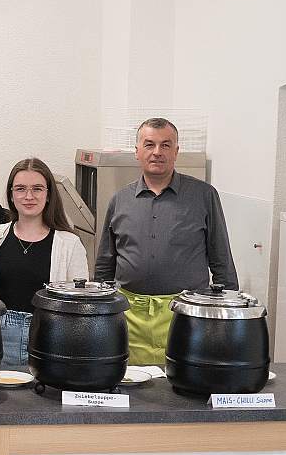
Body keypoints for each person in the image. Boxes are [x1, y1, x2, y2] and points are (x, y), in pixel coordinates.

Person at [95, 118, 238, 365]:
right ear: (137, 151)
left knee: (184, 382)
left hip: (187, 316)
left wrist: (228, 318)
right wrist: (99, 316)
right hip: (129, 317)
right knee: (131, 383)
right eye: (149, 144)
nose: (157, 152)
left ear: (176, 151)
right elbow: (104, 265)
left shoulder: (204, 195)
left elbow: (221, 260)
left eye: (166, 145)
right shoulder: (120, 200)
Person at [0, 158, 89, 370]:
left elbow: (79, 306)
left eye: (37, 189)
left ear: (49, 194)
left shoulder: (70, 244)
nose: (29, 196)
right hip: (0, 340)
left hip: (50, 339)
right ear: (11, 195)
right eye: (20, 189)